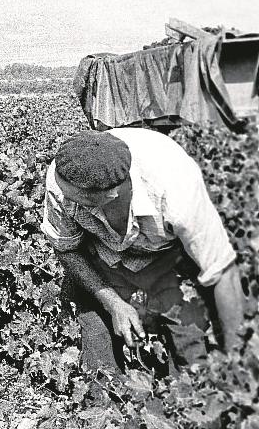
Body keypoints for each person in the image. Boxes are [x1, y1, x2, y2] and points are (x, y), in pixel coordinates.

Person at [42, 128, 251, 374]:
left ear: (110, 195)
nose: (62, 196)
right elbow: (66, 248)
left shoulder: (176, 191)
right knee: (98, 354)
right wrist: (113, 303)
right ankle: (108, 392)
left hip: (167, 259)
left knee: (190, 355)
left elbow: (223, 272)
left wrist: (237, 363)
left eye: (77, 199)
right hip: (100, 255)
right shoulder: (64, 177)